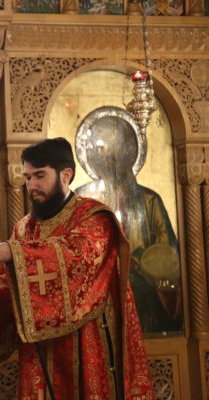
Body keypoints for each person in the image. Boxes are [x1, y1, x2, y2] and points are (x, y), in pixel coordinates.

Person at [0, 138, 155, 399]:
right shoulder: (24, 229)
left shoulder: (94, 218)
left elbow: (79, 257)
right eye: (27, 178)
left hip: (87, 347)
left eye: (40, 176)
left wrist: (17, 254)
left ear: (65, 175)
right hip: (40, 356)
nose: (32, 186)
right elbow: (9, 286)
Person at [75, 114, 182, 334]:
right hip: (96, 294)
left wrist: (139, 265)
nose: (110, 161)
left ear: (130, 154)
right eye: (102, 152)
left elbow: (167, 257)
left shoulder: (149, 201)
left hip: (143, 297)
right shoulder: (81, 199)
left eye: (116, 153)